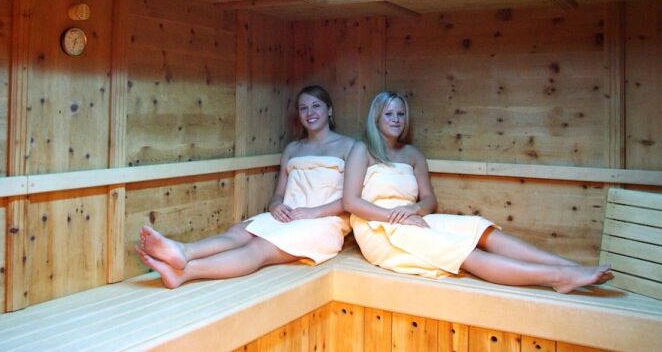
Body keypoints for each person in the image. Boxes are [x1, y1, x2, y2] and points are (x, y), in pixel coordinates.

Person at [343, 91, 613, 293]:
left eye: (401, 114)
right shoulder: (362, 150)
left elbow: (429, 199)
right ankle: (558, 278)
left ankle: (569, 266)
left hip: (412, 217)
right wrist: (396, 216)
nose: (396, 119)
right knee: (461, 250)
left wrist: (413, 209)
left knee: (480, 228)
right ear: (376, 118)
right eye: (389, 114)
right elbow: (351, 201)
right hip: (377, 227)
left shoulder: (412, 154)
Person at [135, 85, 355, 288]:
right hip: (289, 215)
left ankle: (185, 272)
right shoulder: (293, 149)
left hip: (324, 222)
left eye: (316, 106)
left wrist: (312, 212)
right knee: (239, 231)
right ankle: (185, 251)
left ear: (329, 110)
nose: (310, 113)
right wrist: (276, 206)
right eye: (303, 108)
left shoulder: (349, 147)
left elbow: (351, 200)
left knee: (259, 247)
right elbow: (278, 194)